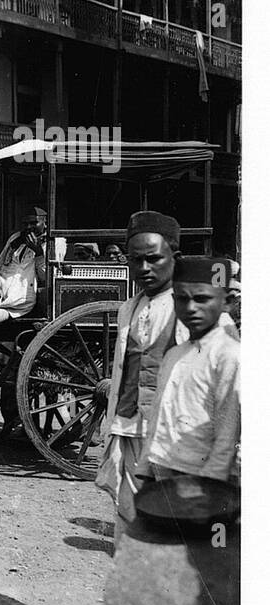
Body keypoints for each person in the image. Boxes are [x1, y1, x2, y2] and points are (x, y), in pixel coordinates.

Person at [94, 211, 236, 539]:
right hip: (130, 430)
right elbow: (123, 369)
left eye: (153, 259)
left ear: (176, 257)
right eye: (135, 260)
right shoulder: (128, 308)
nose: (144, 269)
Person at [137, 256, 239, 490]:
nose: (191, 308)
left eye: (202, 299)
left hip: (205, 476)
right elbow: (159, 416)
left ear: (227, 302)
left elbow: (230, 429)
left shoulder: (230, 356)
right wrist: (145, 467)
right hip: (165, 467)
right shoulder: (173, 356)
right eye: (183, 299)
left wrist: (211, 484)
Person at [0, 207, 46, 325]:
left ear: (45, 223)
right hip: (3, 285)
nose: (28, 227)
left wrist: (38, 253)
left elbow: (45, 277)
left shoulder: (53, 243)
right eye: (25, 224)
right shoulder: (16, 238)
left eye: (34, 223)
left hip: (23, 294)